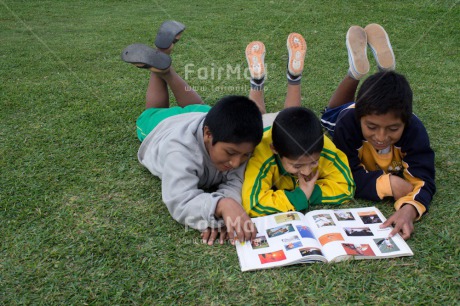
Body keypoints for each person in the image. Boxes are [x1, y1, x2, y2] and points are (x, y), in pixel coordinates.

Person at [120, 21, 263, 246]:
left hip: (201, 114)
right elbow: (179, 199)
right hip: (165, 126)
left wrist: (226, 205)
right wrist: (220, 206)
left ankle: (165, 65)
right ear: (208, 135)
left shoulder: (234, 141)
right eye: (230, 153)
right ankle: (162, 64)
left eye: (244, 156)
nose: (236, 162)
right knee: (151, 112)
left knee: (204, 108)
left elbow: (236, 183)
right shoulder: (179, 150)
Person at [321, 24, 436, 240]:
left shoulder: (415, 130)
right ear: (360, 119)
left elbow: (425, 181)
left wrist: (409, 209)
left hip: (376, 110)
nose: (381, 137)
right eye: (372, 127)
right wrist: (388, 183)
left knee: (381, 105)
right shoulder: (350, 123)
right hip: (346, 113)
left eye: (393, 129)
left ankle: (383, 76)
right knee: (328, 116)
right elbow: (344, 174)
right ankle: (355, 72)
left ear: (405, 122)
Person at [241, 33, 355, 217]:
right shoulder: (262, 152)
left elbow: (347, 187)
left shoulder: (323, 145)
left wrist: (311, 192)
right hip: (263, 130)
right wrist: (300, 195)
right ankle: (263, 81)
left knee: (293, 114)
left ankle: (266, 80)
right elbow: (253, 204)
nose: (307, 172)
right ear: (275, 149)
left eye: (313, 163)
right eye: (297, 166)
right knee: (254, 120)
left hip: (288, 125)